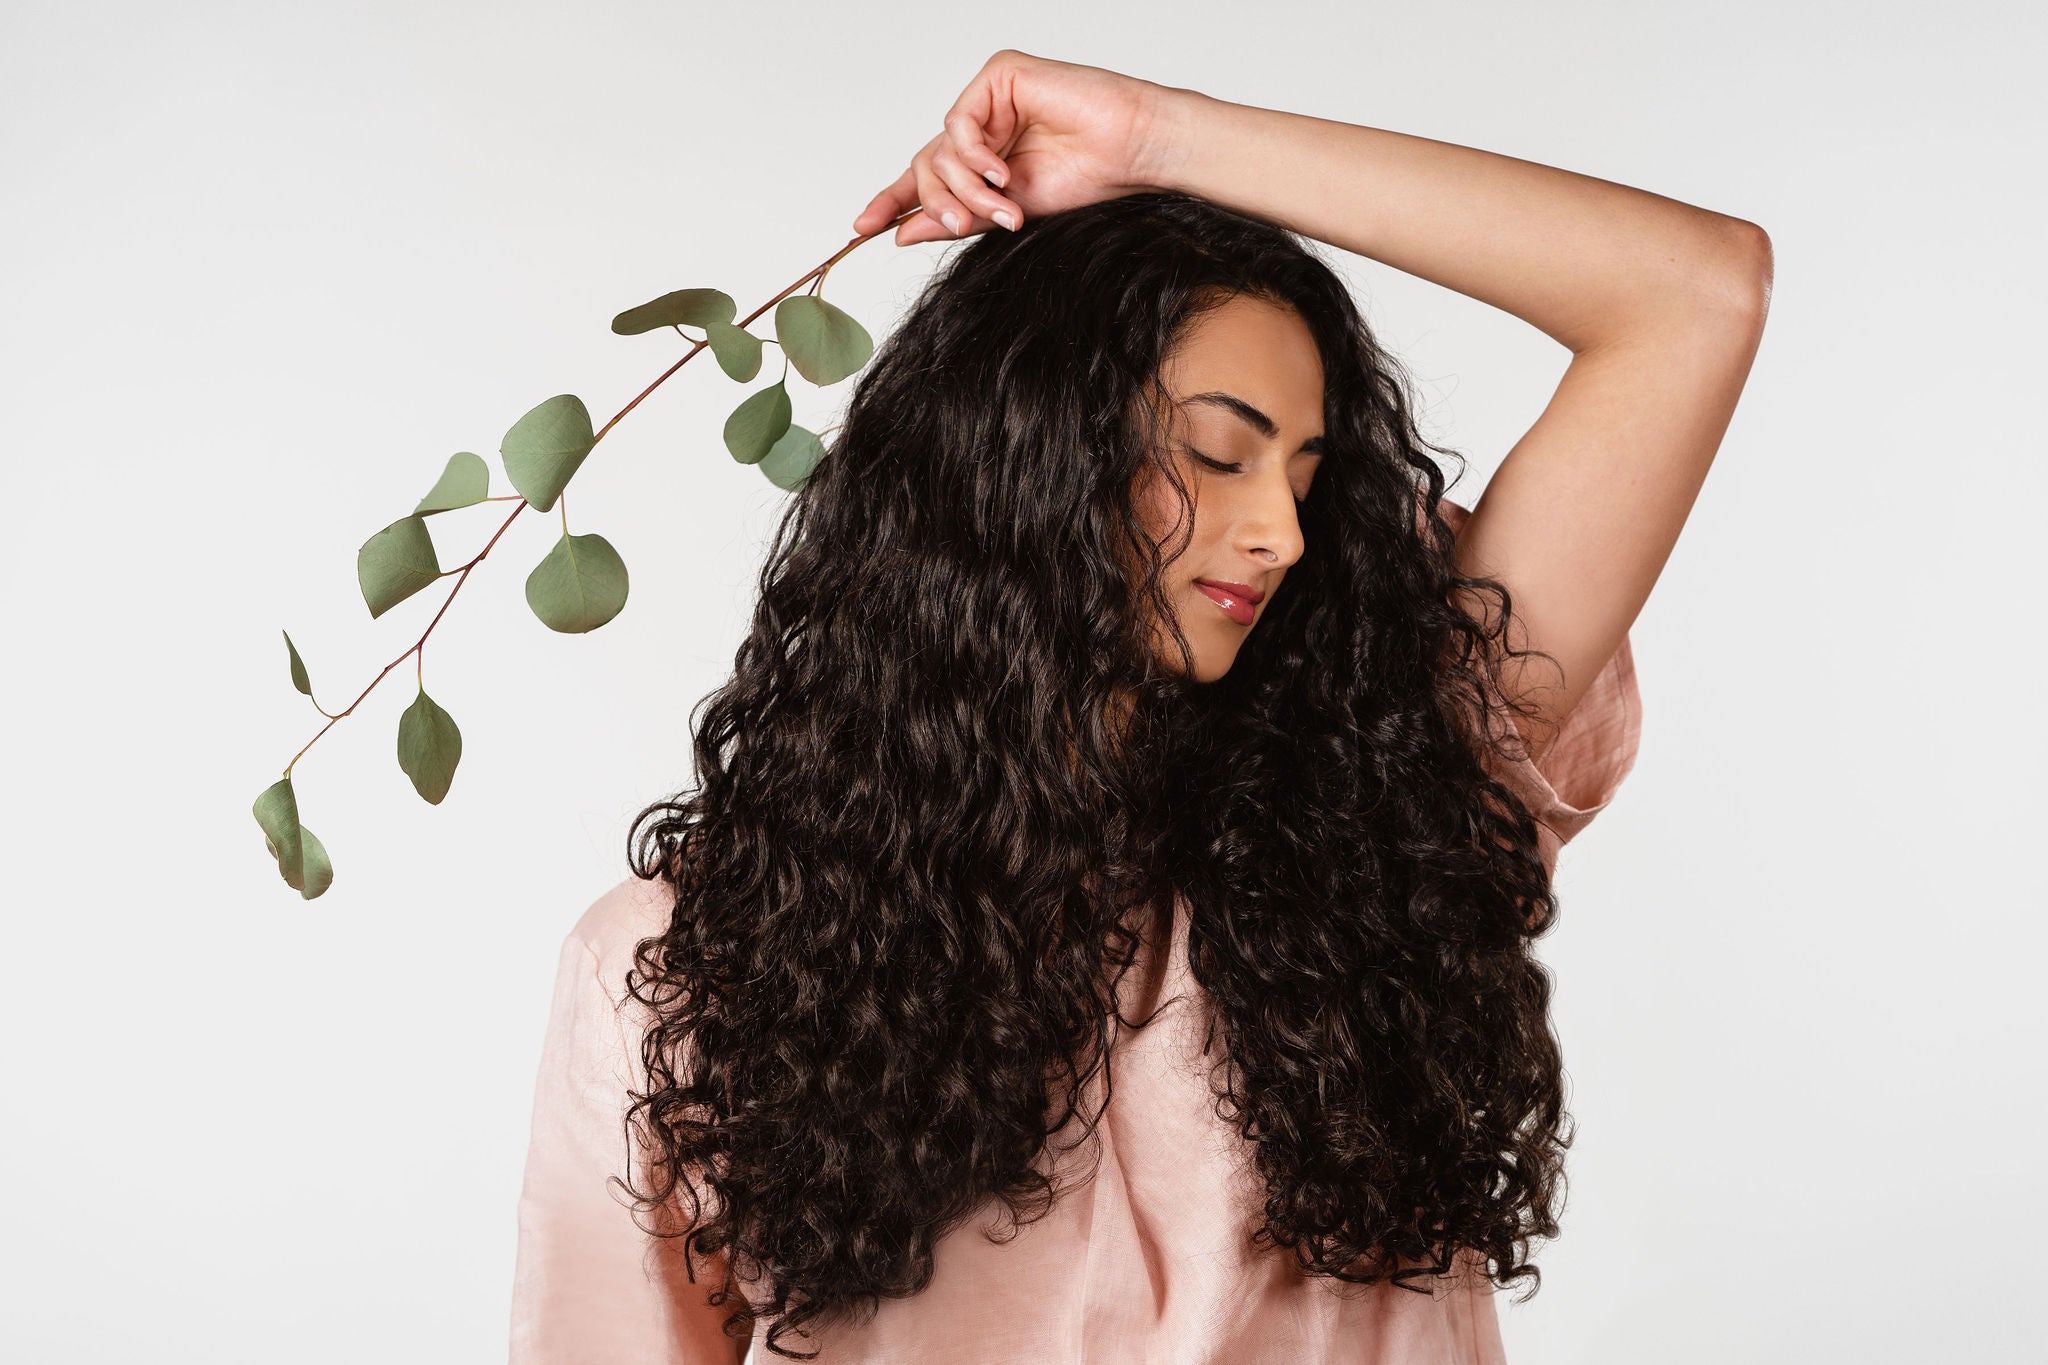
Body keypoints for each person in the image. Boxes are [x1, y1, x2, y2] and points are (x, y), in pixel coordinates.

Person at [508, 49, 1770, 1364]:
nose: (1280, 531)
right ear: (1030, 465)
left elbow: (1695, 291)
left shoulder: (1399, 788)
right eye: (1218, 456)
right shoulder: (681, 969)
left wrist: (1162, 138)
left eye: (1305, 474)